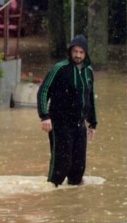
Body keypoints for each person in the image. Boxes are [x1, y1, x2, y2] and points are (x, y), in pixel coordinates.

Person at [37, 34, 97, 186]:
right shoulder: (59, 69)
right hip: (60, 125)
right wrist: (44, 116)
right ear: (70, 52)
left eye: (81, 52)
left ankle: (72, 204)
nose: (78, 55)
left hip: (79, 126)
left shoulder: (89, 71)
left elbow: (89, 97)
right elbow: (43, 91)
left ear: (86, 54)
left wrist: (93, 123)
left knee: (78, 168)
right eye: (75, 51)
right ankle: (52, 194)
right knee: (61, 165)